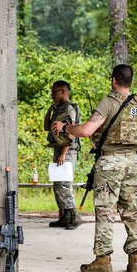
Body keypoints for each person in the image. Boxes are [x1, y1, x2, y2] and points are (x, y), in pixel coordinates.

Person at [51, 64, 137, 272]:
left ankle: (103, 261)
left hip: (111, 163)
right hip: (133, 162)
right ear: (130, 81)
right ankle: (135, 260)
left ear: (114, 80)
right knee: (132, 211)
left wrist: (65, 128)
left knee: (105, 211)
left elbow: (86, 130)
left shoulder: (108, 102)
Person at [43, 80, 82, 230]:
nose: (53, 95)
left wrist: (64, 153)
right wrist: (49, 111)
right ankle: (65, 217)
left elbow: (71, 132)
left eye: (55, 92)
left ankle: (74, 216)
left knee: (64, 183)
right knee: (57, 183)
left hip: (67, 150)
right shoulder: (58, 108)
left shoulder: (69, 109)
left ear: (64, 91)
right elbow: (47, 127)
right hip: (58, 148)